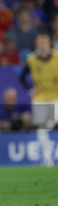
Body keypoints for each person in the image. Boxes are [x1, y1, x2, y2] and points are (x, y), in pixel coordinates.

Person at [20, 31, 58, 167]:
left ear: (49, 43)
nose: (42, 45)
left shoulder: (57, 57)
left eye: (44, 41)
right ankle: (48, 160)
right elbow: (22, 78)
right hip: (40, 97)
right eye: (39, 42)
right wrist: (30, 89)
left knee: (53, 121)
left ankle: (49, 125)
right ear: (36, 44)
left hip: (55, 96)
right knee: (41, 129)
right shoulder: (31, 59)